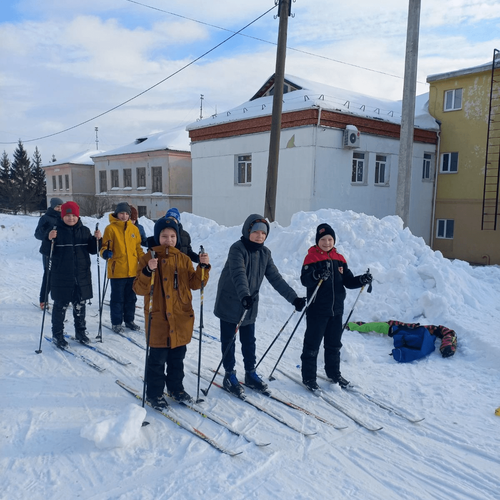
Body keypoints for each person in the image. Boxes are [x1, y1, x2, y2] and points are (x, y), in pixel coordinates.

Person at [214, 214, 306, 396]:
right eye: (255, 231)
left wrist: (294, 299)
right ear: (247, 231)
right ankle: (229, 375)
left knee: (249, 341)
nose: (259, 236)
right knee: (229, 340)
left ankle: (250, 373)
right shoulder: (237, 249)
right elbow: (238, 274)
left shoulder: (265, 254)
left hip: (249, 304)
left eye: (263, 233)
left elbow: (276, 279)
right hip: (231, 302)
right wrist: (244, 295)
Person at [133, 217, 210, 407]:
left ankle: (176, 388)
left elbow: (194, 283)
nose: (169, 240)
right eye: (164, 235)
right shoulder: (147, 257)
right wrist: (147, 271)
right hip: (158, 318)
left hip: (180, 317)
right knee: (157, 361)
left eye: (173, 236)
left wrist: (203, 268)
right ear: (157, 236)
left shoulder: (183, 259)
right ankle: (154, 393)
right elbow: (138, 288)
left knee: (177, 359)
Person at [300, 223, 372, 390]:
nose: (327, 242)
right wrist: (316, 274)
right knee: (312, 344)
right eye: (323, 239)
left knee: (334, 345)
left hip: (336, 310)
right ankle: (309, 377)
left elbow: (348, 281)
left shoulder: (339, 258)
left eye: (330, 239)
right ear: (318, 240)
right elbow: (305, 279)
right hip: (317, 310)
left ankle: (334, 373)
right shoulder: (311, 258)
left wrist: (361, 279)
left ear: (334, 240)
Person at [41, 201, 102, 348]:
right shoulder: (55, 231)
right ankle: (58, 335)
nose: (71, 218)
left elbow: (93, 250)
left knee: (80, 306)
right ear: (62, 216)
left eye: (73, 215)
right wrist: (48, 239)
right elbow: (45, 251)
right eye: (67, 215)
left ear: (78, 216)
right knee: (60, 307)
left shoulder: (85, 231)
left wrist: (97, 239)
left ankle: (80, 332)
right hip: (61, 276)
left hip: (81, 276)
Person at [100, 202, 144, 333]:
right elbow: (103, 248)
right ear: (116, 214)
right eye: (121, 213)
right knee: (118, 299)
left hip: (132, 271)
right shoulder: (110, 229)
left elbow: (137, 248)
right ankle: (116, 322)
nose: (124, 216)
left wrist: (145, 260)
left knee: (131, 298)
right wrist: (105, 253)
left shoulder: (134, 229)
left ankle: (129, 320)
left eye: (126, 214)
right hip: (117, 271)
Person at [34, 197, 63, 309]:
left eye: (61, 206)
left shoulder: (65, 217)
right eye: (57, 206)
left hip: (61, 250)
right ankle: (43, 300)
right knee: (49, 274)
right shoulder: (45, 218)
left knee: (62, 275)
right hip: (49, 250)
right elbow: (37, 234)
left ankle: (61, 297)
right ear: (52, 206)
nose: (59, 208)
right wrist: (47, 234)